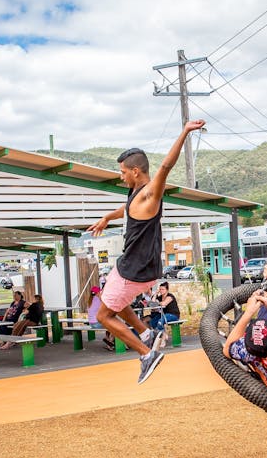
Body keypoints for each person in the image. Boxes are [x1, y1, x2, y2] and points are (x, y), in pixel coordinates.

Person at [87, 119, 206, 384]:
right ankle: (145, 334)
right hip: (133, 265)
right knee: (111, 297)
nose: (121, 176)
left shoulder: (150, 194)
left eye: (123, 172)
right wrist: (108, 217)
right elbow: (126, 211)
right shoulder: (134, 193)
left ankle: (145, 354)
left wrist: (185, 131)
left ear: (137, 171)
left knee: (104, 315)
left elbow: (165, 166)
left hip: (136, 268)